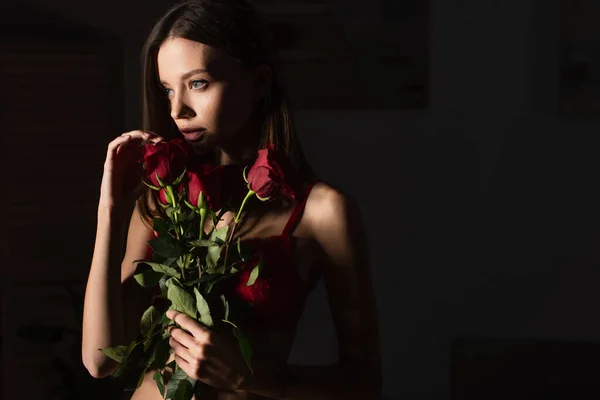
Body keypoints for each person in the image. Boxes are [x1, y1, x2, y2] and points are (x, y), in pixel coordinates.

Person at [81, 0, 382, 398]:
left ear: (258, 84)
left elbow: (365, 383)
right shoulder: (163, 198)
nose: (177, 109)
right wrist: (112, 212)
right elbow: (100, 361)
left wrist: (250, 377)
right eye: (167, 88)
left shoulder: (322, 211)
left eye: (198, 83)